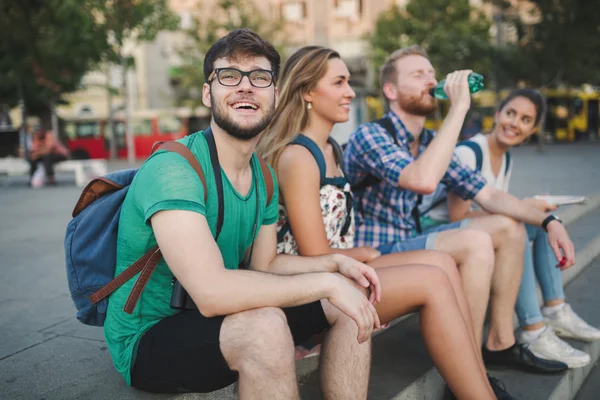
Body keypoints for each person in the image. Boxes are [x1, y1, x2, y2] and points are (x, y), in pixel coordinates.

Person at [105, 28, 405, 400]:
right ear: (207, 92)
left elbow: (266, 264)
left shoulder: (263, 174)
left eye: (260, 78)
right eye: (229, 76)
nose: (245, 87)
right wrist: (326, 283)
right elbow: (211, 292)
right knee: (266, 325)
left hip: (219, 314)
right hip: (152, 335)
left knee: (350, 299)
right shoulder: (174, 168)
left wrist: (334, 266)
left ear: (276, 95)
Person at [258, 45, 505, 399]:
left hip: (338, 273)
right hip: (306, 291)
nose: (351, 92)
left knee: (441, 262)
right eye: (340, 82)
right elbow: (318, 256)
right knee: (432, 279)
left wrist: (363, 253)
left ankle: (473, 379)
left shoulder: (331, 149)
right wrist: (362, 254)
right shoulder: (298, 156)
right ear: (308, 92)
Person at [343, 45, 574, 374]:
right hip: (372, 254)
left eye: (431, 73)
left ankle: (499, 342)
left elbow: (488, 194)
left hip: (408, 243)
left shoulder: (430, 141)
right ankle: (469, 368)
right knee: (475, 240)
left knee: (508, 226)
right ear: (390, 90)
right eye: (418, 74)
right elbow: (421, 179)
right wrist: (459, 107)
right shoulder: (371, 134)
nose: (430, 80)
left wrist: (549, 220)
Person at [428, 88, 600, 368]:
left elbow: (492, 209)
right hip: (440, 233)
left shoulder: (505, 157)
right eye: (510, 113)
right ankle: (533, 329)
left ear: (531, 129)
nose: (514, 123)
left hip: (473, 230)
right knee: (518, 223)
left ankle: (555, 309)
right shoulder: (469, 152)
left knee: (534, 223)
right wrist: (523, 206)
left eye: (525, 119)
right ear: (497, 115)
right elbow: (456, 215)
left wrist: (534, 212)